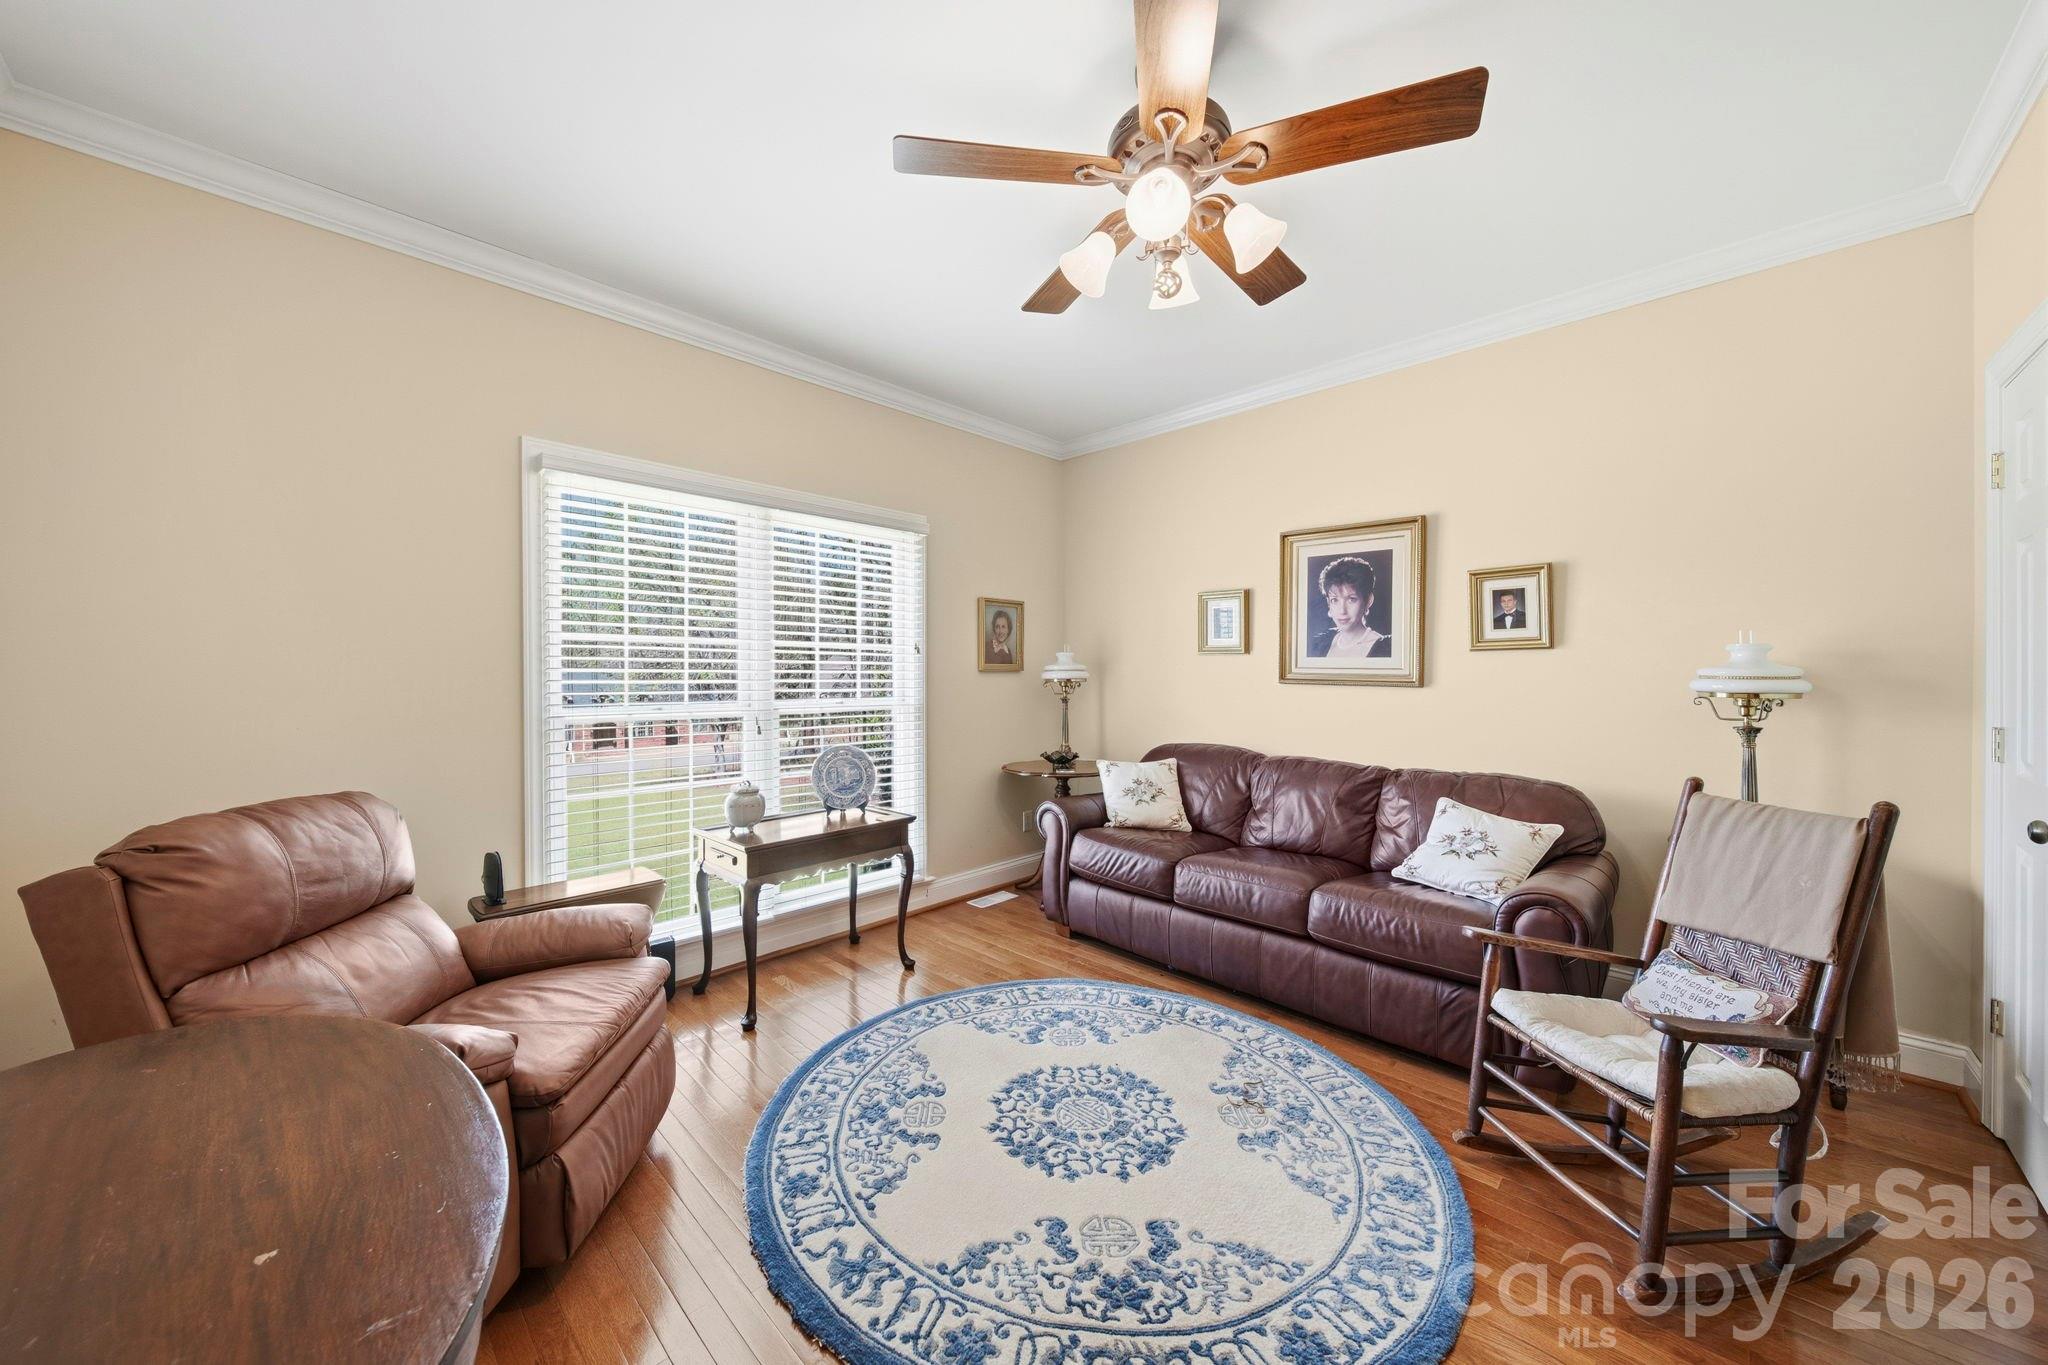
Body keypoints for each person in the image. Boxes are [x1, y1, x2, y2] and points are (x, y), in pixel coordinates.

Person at [1309, 557, 1390, 658]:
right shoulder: (1321, 644)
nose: (1342, 610)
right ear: (1328, 603)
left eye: (1351, 599)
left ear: (1368, 601)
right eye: (1335, 600)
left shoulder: (1385, 649)